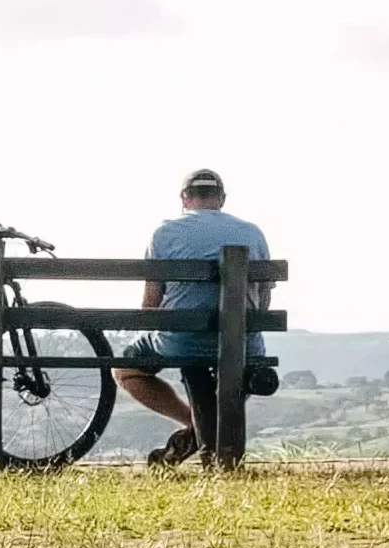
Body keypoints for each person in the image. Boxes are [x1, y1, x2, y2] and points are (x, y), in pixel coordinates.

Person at [112, 168, 272, 466]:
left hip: (184, 341)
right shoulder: (252, 232)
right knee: (236, 364)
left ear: (185, 199)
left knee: (124, 369)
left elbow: (152, 302)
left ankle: (196, 427)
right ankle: (203, 431)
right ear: (221, 199)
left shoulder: (165, 233)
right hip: (244, 345)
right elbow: (263, 301)